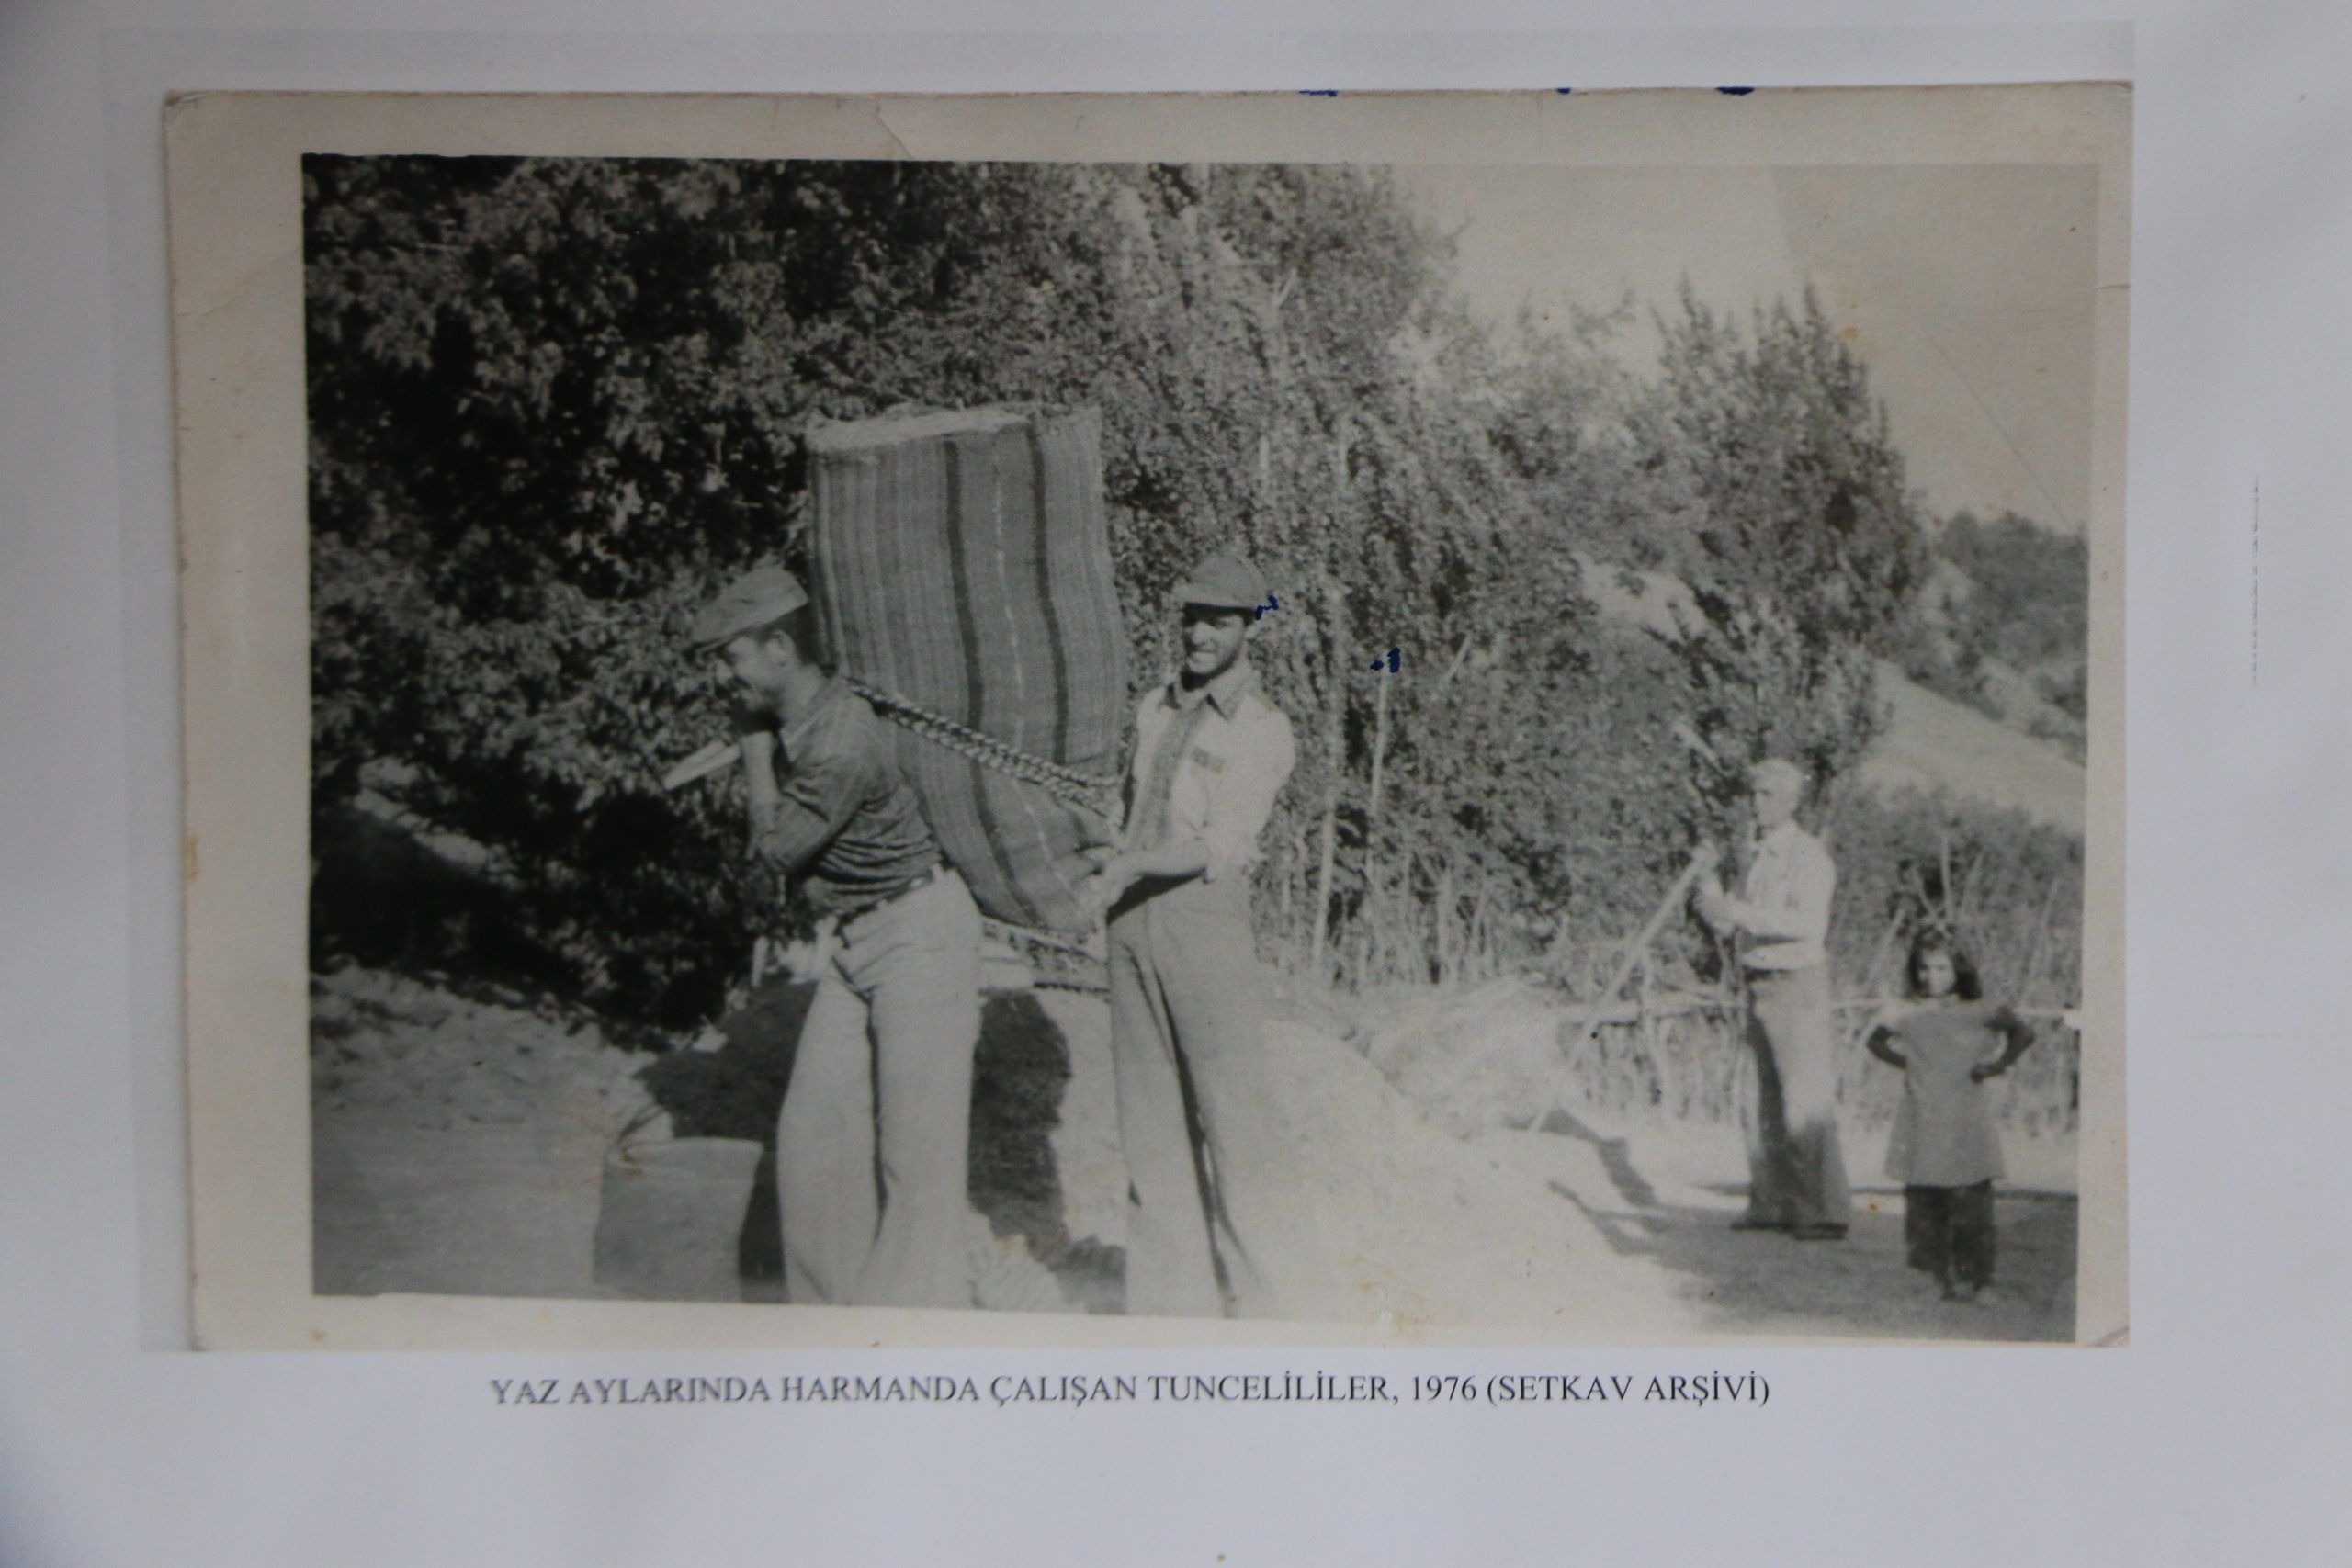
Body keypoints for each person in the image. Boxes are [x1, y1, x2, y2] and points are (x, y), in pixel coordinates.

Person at [689, 564, 983, 1311]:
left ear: (781, 648)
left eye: (731, 658)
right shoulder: (810, 720)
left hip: (920, 937)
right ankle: (829, 1326)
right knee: (814, 1135)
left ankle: (908, 1338)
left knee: (916, 1160)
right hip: (859, 941)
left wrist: (753, 752)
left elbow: (775, 853)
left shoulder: (842, 740)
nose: (723, 679)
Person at [1076, 553, 1330, 1320]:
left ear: (1248, 628)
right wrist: (1105, 851)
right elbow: (1128, 810)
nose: (1198, 634)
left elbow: (1221, 843)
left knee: (1238, 1126)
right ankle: (1170, 1316)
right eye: (1191, 617)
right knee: (1151, 1129)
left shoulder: (1263, 728)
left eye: (1217, 621)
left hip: (1203, 925)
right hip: (1132, 925)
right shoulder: (1153, 708)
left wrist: (1131, 864)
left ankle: (1281, 1317)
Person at [1693, 758, 1854, 1241]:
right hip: (1758, 981)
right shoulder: (1756, 857)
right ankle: (1770, 1203)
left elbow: (1806, 924)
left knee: (1803, 1100)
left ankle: (1821, 1211)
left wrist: (1737, 909)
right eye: (1752, 794)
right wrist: (1707, 881)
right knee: (1757, 1098)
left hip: (1797, 982)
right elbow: (1727, 922)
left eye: (1766, 795)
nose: (1755, 804)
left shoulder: (1808, 857)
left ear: (1790, 801)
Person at [1865, 931, 2037, 1302]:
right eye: (1924, 968)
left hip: (1965, 1115)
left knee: (1971, 1198)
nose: (1932, 977)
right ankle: (1932, 1275)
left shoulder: (1980, 1009)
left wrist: (1996, 1065)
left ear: (1959, 969)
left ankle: (1977, 1279)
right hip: (1922, 1113)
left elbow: (2023, 1033)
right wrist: (1908, 1064)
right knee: (1923, 1197)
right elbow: (1875, 1042)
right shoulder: (1902, 1010)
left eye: (1942, 968)